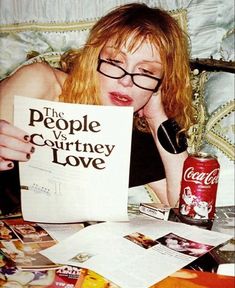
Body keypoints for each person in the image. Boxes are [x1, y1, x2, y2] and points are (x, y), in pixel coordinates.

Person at [0, 3, 194, 210]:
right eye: (115, 62)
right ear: (94, 59)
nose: (126, 81)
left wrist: (157, 118)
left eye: (146, 72)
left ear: (162, 82)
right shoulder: (42, 81)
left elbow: (188, 208)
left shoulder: (137, 134)